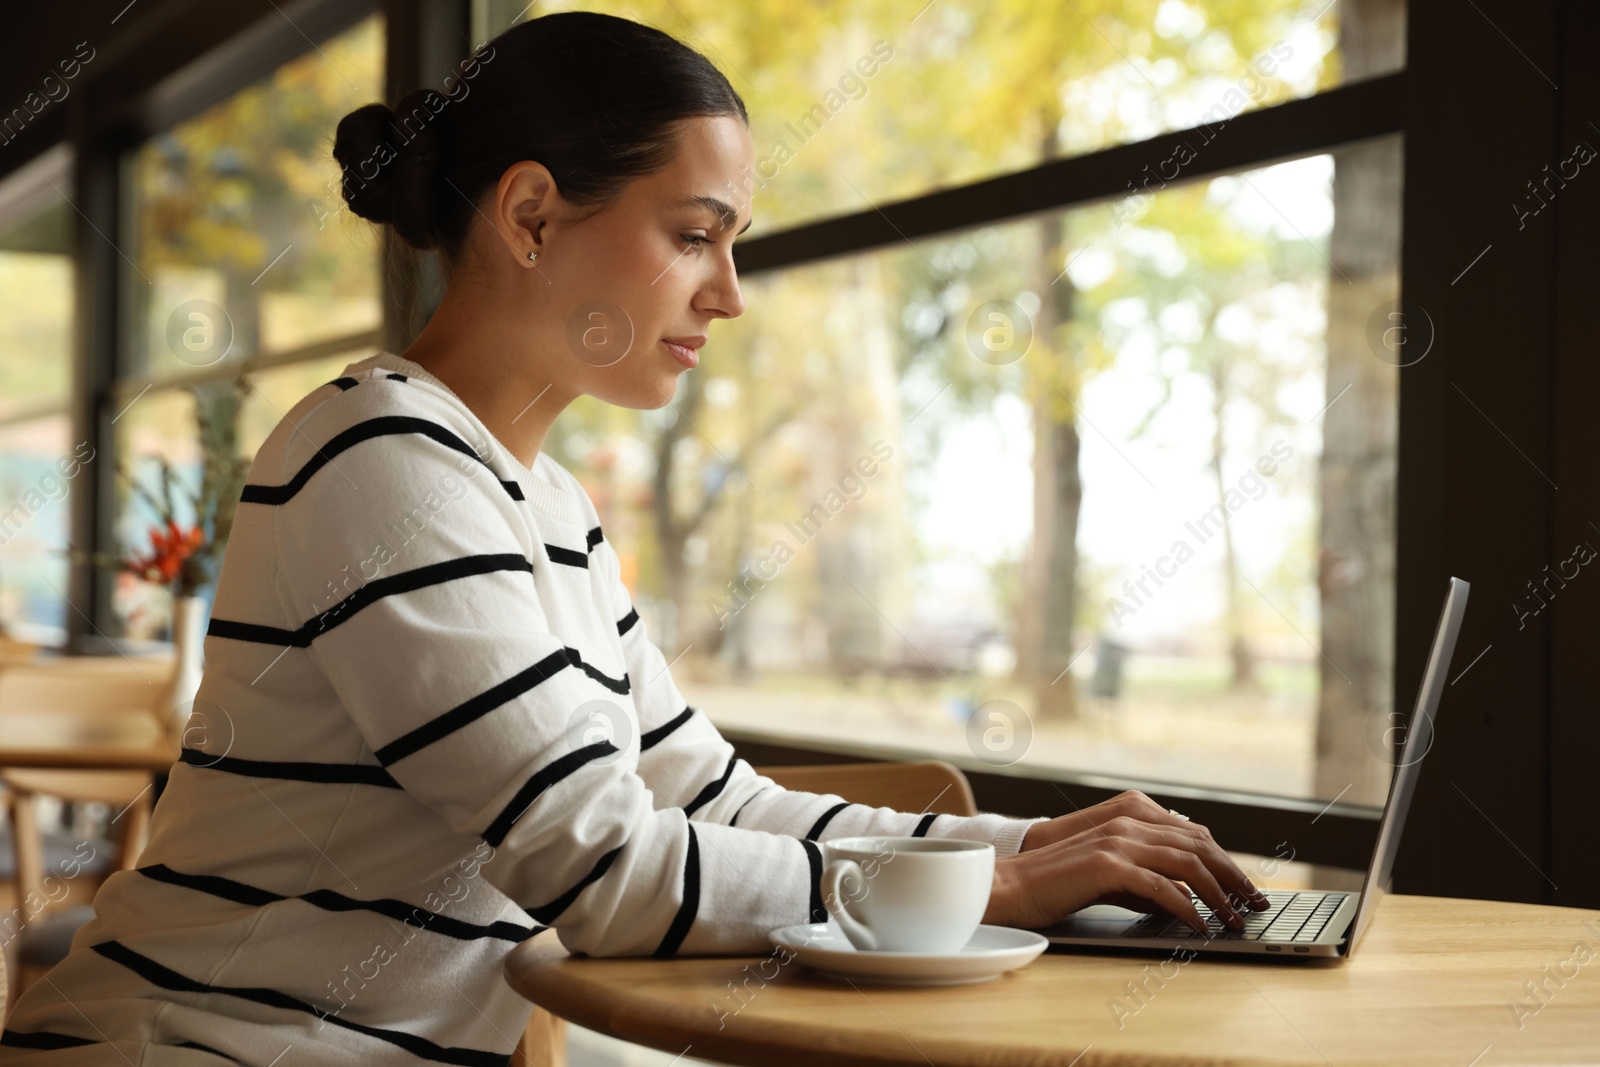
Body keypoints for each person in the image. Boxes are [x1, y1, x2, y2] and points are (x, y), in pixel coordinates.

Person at [0, 11, 1266, 1063]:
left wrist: (1041, 847)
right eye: (694, 233)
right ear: (534, 215)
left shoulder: (540, 503)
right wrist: (996, 889)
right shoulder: (377, 457)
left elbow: (710, 798)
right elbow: (601, 869)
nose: (726, 292)